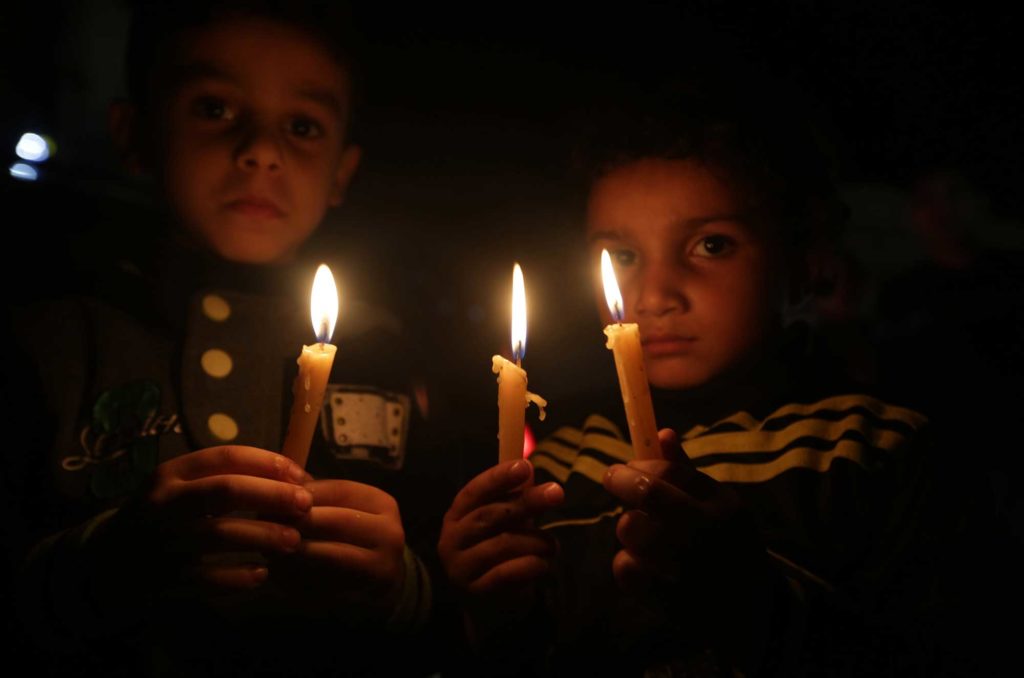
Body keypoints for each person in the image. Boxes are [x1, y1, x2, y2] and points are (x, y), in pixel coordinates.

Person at [437, 82, 945, 676]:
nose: (655, 296)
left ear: (805, 262)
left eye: (711, 245)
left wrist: (751, 605)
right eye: (623, 257)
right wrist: (486, 605)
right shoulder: (566, 458)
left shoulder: (870, 450)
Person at [2, 3, 443, 675]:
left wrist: (399, 588)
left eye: (302, 126)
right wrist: (107, 564)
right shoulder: (54, 335)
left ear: (342, 174)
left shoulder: (389, 353)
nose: (261, 150)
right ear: (135, 132)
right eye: (214, 109)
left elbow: (449, 593)